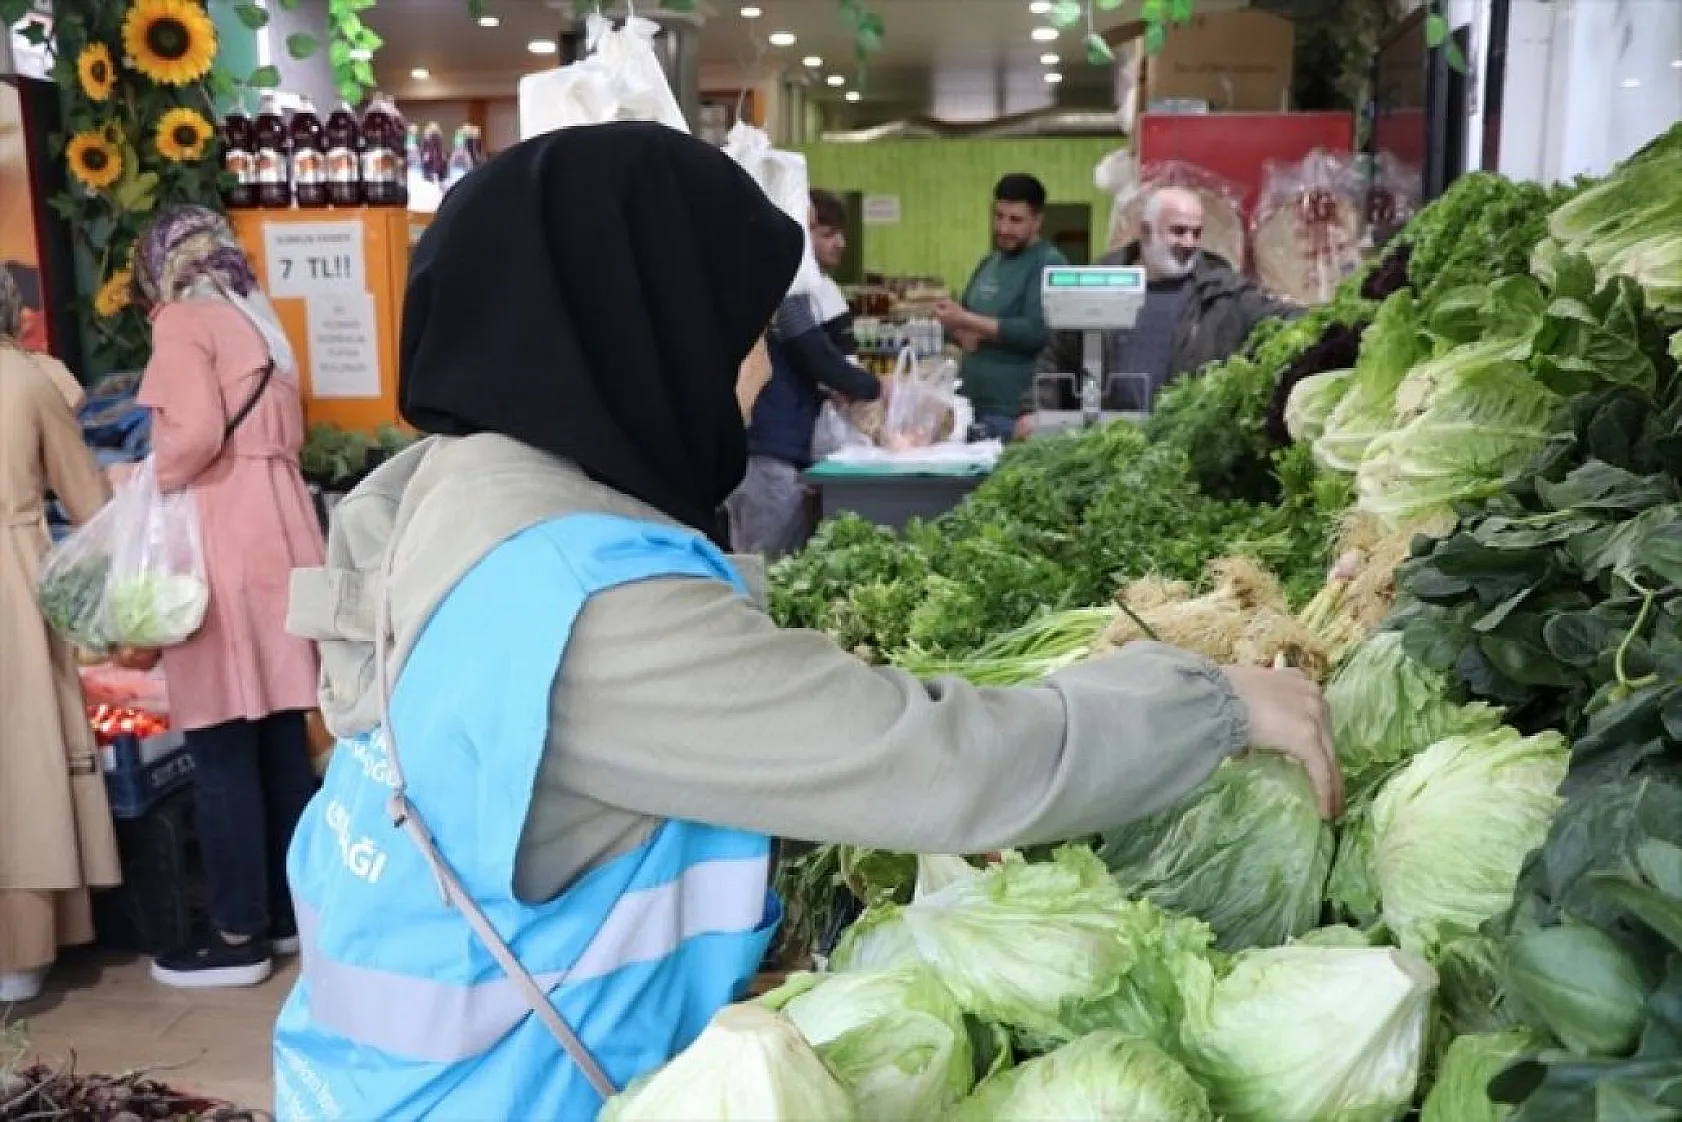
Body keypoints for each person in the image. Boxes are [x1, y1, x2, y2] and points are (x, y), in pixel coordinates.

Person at [273, 122, 1339, 1122]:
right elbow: (939, 766)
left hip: (381, 1079)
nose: (755, 370)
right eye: (740, 334)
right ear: (645, 333)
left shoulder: (448, 493)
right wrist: (1208, 699)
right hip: (506, 1094)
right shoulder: (584, 608)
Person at [126, 206, 325, 989]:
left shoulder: (182, 319)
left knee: (217, 742)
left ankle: (236, 930)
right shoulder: (258, 318)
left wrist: (143, 477)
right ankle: (285, 915)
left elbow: (193, 434)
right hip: (280, 527)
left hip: (221, 535)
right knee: (278, 731)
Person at [0, 268, 121, 1005]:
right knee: (23, 755)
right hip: (14, 576)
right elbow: (90, 504)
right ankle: (23, 948)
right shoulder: (28, 382)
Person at [1031, 186, 1298, 425]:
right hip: (1108, 445)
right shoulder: (1101, 282)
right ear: (1146, 231)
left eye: (1196, 233)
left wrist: (1330, 317)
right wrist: (1032, 410)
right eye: (1178, 231)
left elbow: (1280, 317)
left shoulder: (1222, 291)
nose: (1189, 243)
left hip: (1187, 446)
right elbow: (1056, 357)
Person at [727, 200, 882, 558]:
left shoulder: (776, 283)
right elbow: (813, 353)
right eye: (819, 230)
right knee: (767, 562)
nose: (837, 243)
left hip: (770, 445)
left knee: (758, 554)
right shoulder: (779, 287)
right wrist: (869, 387)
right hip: (768, 446)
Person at [935, 173, 1066, 441]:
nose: (1004, 228)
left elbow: (1037, 331)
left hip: (1014, 413)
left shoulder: (1048, 263)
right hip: (971, 406)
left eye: (1015, 220)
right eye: (999, 216)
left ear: (1037, 221)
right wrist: (957, 329)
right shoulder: (989, 262)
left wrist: (972, 324)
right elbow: (962, 317)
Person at [807, 188, 856, 356]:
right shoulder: (795, 296)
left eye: (841, 233)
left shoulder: (829, 287)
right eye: (828, 235)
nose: (841, 243)